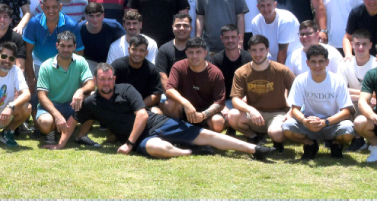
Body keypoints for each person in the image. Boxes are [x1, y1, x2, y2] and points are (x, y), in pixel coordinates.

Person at [47, 64, 272, 160]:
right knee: (157, 149)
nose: (106, 83)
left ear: (113, 79)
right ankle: (190, 151)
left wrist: (129, 144)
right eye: (101, 79)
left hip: (158, 123)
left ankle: (255, 149)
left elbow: (143, 115)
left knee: (208, 135)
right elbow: (73, 120)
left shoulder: (126, 89)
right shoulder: (91, 102)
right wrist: (60, 144)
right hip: (144, 139)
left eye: (109, 79)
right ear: (95, 81)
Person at [282, 44, 355, 159]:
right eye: (313, 62)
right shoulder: (300, 80)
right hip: (309, 123)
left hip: (332, 123)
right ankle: (310, 144)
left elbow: (346, 112)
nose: (317, 65)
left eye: (321, 61)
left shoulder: (338, 81)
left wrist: (325, 122)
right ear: (307, 63)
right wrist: (305, 121)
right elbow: (295, 109)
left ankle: (336, 144)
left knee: (349, 130)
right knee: (287, 127)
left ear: (327, 62)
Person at [228, 35, 294, 147]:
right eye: (254, 50)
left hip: (277, 113)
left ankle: (277, 140)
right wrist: (251, 110)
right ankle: (253, 136)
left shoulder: (282, 70)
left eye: (261, 49)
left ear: (267, 50)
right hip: (254, 114)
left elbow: (298, 93)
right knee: (232, 115)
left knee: (276, 133)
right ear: (249, 51)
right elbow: (235, 100)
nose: (258, 54)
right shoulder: (241, 72)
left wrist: (291, 112)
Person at [35, 31, 97, 146]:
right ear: (57, 46)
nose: (66, 49)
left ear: (74, 47)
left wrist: (80, 91)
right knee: (45, 123)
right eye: (62, 46)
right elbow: (41, 96)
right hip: (51, 106)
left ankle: (81, 135)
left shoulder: (81, 61)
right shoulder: (46, 66)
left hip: (72, 104)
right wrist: (57, 115)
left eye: (69, 46)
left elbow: (91, 84)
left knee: (94, 96)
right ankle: (53, 129)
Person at [164, 37, 228, 133]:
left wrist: (203, 115)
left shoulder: (215, 73)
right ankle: (177, 133)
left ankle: (205, 138)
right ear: (186, 53)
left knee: (218, 122)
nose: (194, 56)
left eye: (198, 52)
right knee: (169, 104)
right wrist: (186, 103)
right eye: (191, 52)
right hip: (185, 110)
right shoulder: (178, 66)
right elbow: (169, 90)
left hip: (206, 113)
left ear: (205, 53)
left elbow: (220, 103)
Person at [22, 0, 83, 91]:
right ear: (42, 8)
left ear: (60, 7)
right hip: (38, 64)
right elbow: (27, 52)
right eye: (47, 7)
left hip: (63, 65)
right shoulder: (34, 23)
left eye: (54, 7)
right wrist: (31, 77)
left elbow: (79, 51)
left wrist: (73, 74)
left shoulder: (71, 25)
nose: (51, 10)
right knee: (36, 96)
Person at [111, 35, 163, 109]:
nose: (137, 53)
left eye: (142, 50)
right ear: (129, 49)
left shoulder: (152, 69)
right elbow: (108, 87)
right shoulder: (117, 65)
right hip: (120, 105)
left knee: (156, 111)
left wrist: (138, 106)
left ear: (146, 53)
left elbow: (156, 95)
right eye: (134, 49)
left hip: (143, 106)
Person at [249, 0, 299, 64]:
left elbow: (283, 51)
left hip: (293, 60)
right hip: (273, 59)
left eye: (268, 5)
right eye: (262, 6)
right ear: (258, 7)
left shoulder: (286, 20)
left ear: (275, 5)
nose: (266, 9)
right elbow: (258, 48)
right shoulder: (255, 22)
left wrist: (277, 71)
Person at [209, 24, 251, 111]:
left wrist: (246, 98)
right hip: (226, 101)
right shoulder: (217, 59)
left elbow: (254, 82)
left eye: (233, 37)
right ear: (222, 39)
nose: (230, 40)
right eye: (227, 38)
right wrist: (222, 105)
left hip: (247, 100)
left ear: (239, 38)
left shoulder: (248, 58)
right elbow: (214, 86)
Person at [78, 1, 124, 73]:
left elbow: (126, 43)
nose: (95, 19)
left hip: (110, 63)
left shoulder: (114, 26)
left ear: (103, 16)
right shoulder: (78, 29)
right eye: (91, 16)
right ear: (85, 16)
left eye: (98, 15)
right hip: (87, 65)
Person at [338, 29, 377, 105]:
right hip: (352, 103)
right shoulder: (344, 64)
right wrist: (363, 97)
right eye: (357, 44)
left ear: (370, 45)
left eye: (364, 44)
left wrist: (353, 94)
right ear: (352, 44)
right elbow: (340, 91)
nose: (360, 47)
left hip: (373, 104)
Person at [156, 11, 193, 88]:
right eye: (178, 25)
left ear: (191, 28)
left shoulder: (199, 48)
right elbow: (162, 75)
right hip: (170, 91)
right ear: (173, 27)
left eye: (185, 25)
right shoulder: (164, 49)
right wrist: (172, 93)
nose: (181, 28)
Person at [0, 3, 26, 70]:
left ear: (10, 20)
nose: (2, 20)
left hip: (10, 74)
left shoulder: (17, 38)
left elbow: (20, 67)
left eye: (5, 17)